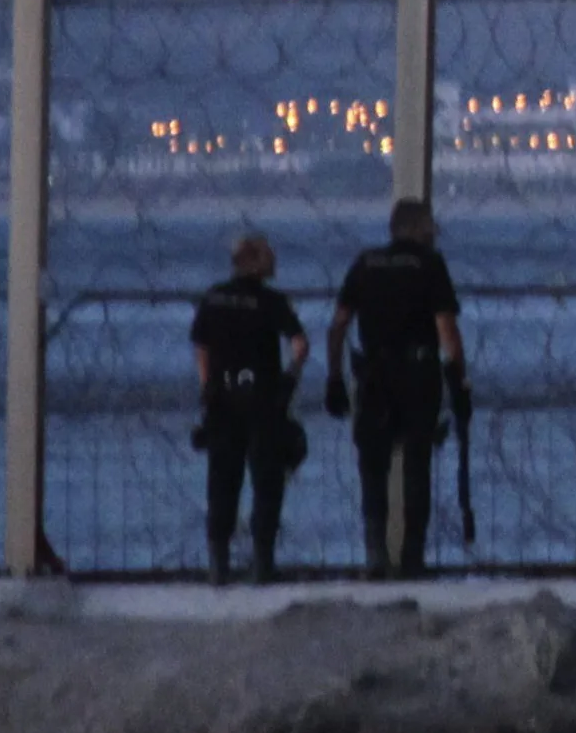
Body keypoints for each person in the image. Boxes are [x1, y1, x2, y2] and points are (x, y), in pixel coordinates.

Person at [327, 197, 468, 578]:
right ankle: (411, 557)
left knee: (373, 465)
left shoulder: (365, 263)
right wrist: (458, 377)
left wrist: (335, 376)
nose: (434, 232)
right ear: (416, 228)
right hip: (417, 374)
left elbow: (339, 325)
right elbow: (446, 328)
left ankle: (375, 555)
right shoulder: (429, 264)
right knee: (417, 466)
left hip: (373, 374)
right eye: (429, 225)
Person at [189, 232, 309, 585]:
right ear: (256, 262)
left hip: (223, 400)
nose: (275, 262)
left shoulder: (213, 298)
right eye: (269, 256)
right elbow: (299, 345)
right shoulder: (272, 302)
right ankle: (262, 563)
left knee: (222, 482)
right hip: (262, 401)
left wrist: (207, 387)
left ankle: (218, 564)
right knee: (266, 482)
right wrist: (288, 380)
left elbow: (201, 345)